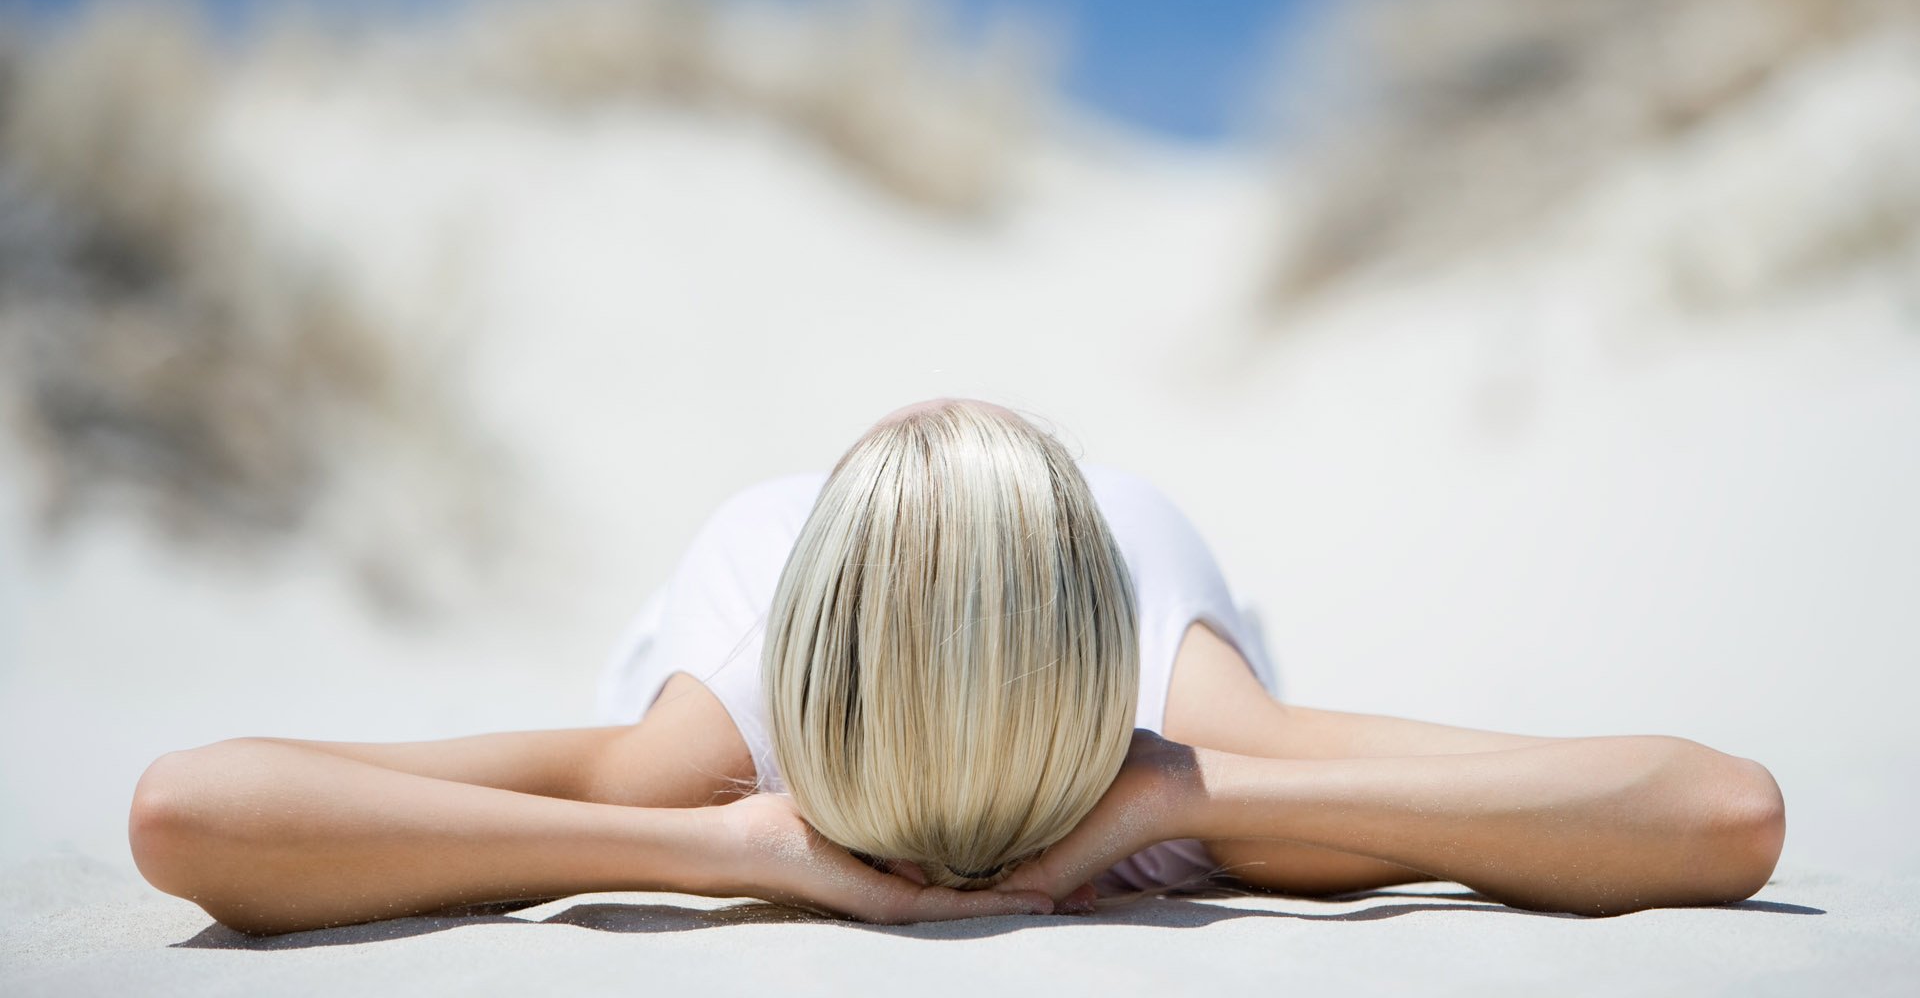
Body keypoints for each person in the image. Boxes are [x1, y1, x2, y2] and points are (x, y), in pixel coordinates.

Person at [128, 398, 1786, 935]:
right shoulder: (732, 727)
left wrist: (708, 844)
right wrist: (1195, 794)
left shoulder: (731, 738)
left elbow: (194, 814)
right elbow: (1721, 812)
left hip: (1009, 617)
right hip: (965, 624)